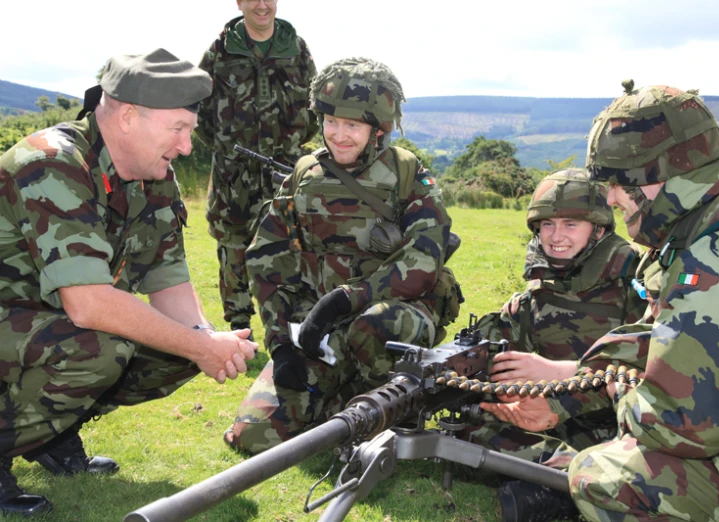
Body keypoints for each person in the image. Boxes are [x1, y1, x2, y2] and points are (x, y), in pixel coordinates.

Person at [482, 81, 719, 521]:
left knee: (599, 476)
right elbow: (657, 337)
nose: (610, 198)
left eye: (618, 183)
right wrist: (569, 391)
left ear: (658, 174)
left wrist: (607, 391)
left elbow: (679, 425)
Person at [0, 49, 257, 517]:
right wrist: (199, 346)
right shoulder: (52, 163)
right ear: (128, 117)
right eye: (177, 130)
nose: (185, 146)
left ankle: (50, 436)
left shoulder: (153, 176)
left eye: (189, 131)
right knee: (99, 349)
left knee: (177, 351)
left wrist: (209, 343)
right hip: (16, 318)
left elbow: (170, 280)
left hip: (37, 326)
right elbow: (90, 306)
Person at [223, 57, 459, 455]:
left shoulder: (406, 174)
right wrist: (281, 343)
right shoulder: (304, 174)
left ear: (379, 128)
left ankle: (392, 410)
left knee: (374, 325)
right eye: (331, 121)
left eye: (353, 125)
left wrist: (346, 299)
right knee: (252, 437)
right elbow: (269, 260)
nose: (339, 135)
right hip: (318, 331)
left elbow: (423, 259)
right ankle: (337, 402)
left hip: (391, 318)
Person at [471, 169, 646, 521]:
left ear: (597, 229)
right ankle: (568, 481)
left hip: (620, 428)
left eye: (570, 224)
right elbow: (499, 353)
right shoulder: (535, 291)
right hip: (551, 424)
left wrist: (562, 377)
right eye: (547, 225)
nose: (556, 236)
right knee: (475, 420)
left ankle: (567, 485)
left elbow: (651, 370)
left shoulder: (636, 285)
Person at [196, 0, 319, 338]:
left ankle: (292, 327)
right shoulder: (220, 52)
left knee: (292, 243)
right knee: (233, 246)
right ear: (239, 2)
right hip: (233, 173)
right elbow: (199, 113)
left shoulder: (296, 49)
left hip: (283, 171)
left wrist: (289, 149)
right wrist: (228, 148)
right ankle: (240, 329)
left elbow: (314, 109)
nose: (262, 5)